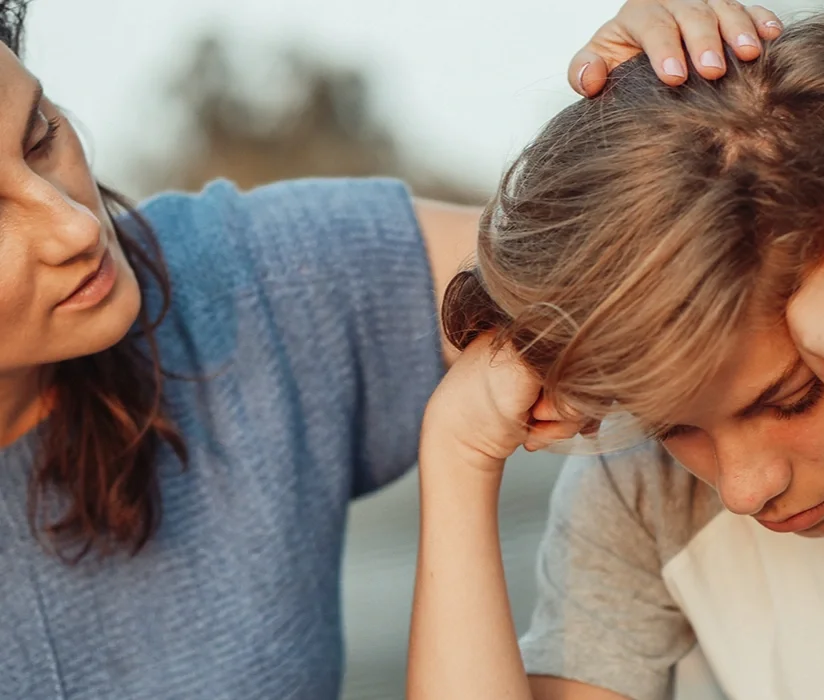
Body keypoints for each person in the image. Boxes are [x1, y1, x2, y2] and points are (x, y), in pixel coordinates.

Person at [0, 0, 784, 698]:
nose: (75, 225)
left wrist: (663, 129)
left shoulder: (248, 282)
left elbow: (628, 273)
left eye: (41, 138)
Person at [408, 10, 824, 700]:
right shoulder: (645, 489)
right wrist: (455, 454)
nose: (744, 490)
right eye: (672, 426)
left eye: (788, 399)